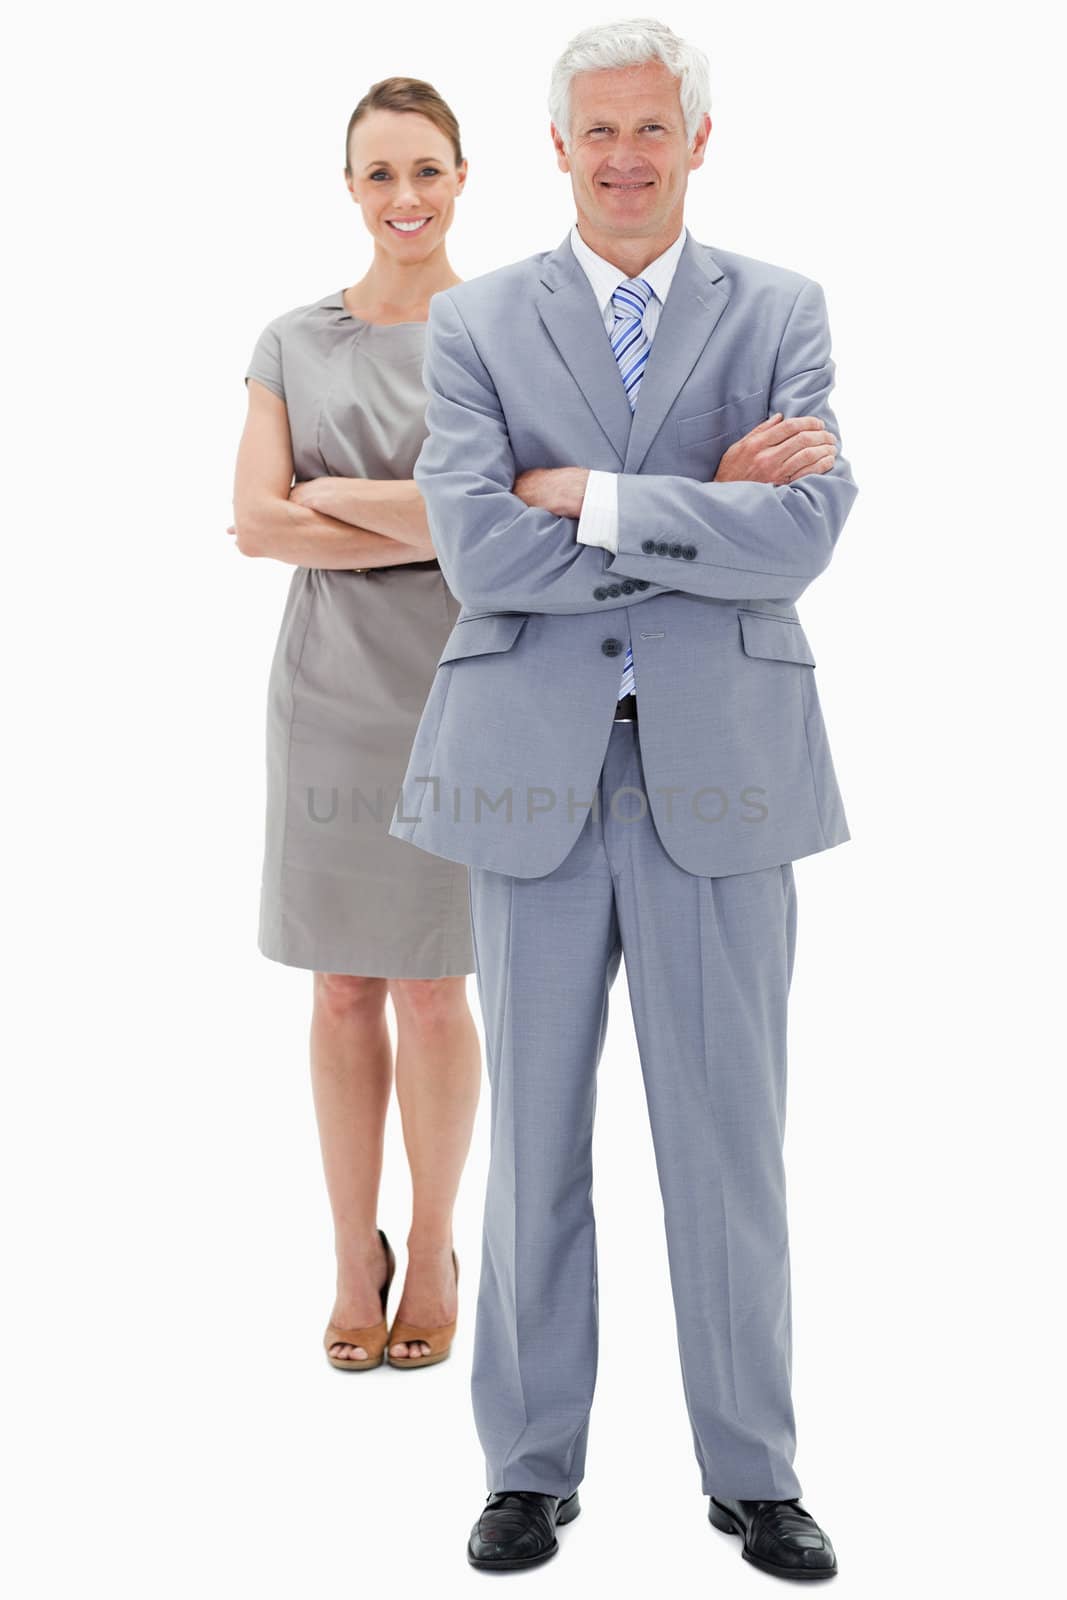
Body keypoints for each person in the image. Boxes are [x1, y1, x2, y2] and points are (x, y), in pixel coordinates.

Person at [388, 18, 857, 1579]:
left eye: (654, 130)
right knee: (535, 1142)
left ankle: (756, 1470)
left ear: (699, 139)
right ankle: (528, 1464)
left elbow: (800, 538)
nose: (628, 159)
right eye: (600, 134)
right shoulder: (480, 325)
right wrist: (702, 504)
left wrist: (581, 492)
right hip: (529, 769)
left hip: (724, 771)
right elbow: (475, 551)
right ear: (560, 148)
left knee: (730, 1140)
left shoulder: (780, 309)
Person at [231, 78, 480, 1372]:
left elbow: (485, 530)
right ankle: (351, 1251)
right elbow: (255, 522)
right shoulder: (292, 339)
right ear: (348, 187)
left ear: (461, 177)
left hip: (464, 689)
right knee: (341, 989)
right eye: (379, 173)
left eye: (426, 170)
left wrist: (344, 500)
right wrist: (422, 510)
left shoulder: (501, 334)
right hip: (326, 697)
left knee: (437, 988)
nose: (405, 198)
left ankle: (433, 1243)